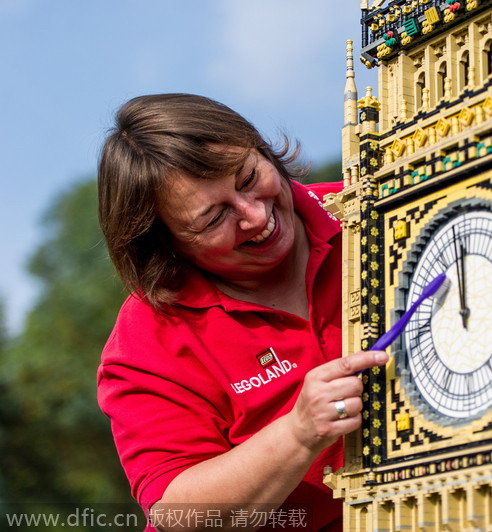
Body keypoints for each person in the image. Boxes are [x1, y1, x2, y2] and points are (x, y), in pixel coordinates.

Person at [96, 93, 387, 532]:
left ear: (262, 150)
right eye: (214, 219)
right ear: (165, 245)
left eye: (249, 177)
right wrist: (298, 433)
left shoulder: (374, 212)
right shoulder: (147, 340)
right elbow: (175, 513)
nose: (255, 215)